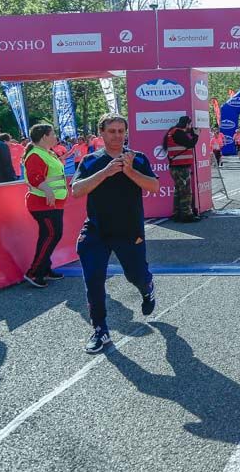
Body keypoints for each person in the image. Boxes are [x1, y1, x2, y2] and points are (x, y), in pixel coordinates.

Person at [71, 114, 160, 354]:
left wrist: (129, 171)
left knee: (135, 275)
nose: (117, 136)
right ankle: (100, 329)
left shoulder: (137, 158)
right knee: (94, 280)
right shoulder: (90, 160)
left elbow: (154, 186)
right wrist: (106, 173)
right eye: (112, 131)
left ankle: (147, 285)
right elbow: (77, 191)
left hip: (129, 230)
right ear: (101, 133)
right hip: (97, 230)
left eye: (121, 131)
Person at [22, 124, 67, 288]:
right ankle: (34, 272)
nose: (55, 136)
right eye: (53, 134)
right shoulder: (36, 154)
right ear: (44, 137)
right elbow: (35, 177)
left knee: (50, 235)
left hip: (52, 203)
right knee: (52, 235)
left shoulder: (47, 153)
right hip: (43, 203)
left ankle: (45, 268)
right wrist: (47, 191)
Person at [162, 116, 200, 223]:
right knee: (185, 192)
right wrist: (196, 135)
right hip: (181, 167)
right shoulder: (178, 133)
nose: (190, 127)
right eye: (190, 125)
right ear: (187, 124)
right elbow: (190, 144)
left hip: (175, 166)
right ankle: (187, 215)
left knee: (178, 191)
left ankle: (177, 213)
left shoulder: (172, 132)